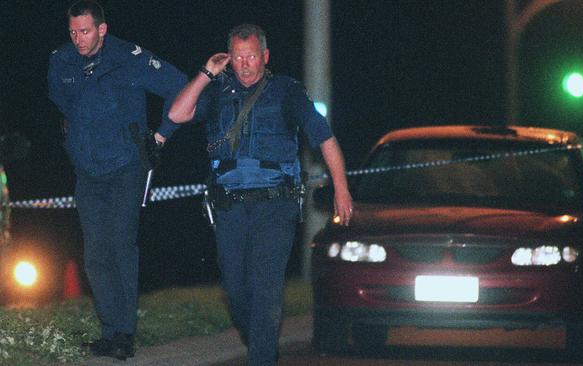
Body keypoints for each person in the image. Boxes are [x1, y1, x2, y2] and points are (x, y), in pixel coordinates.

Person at [168, 23, 353, 365]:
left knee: (266, 291)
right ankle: (259, 343)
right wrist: (206, 73)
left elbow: (324, 138)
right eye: (237, 57)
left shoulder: (287, 91)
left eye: (251, 56)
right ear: (229, 59)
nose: (245, 64)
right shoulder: (217, 90)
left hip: (275, 205)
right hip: (229, 208)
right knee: (237, 292)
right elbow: (177, 113)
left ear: (265, 56)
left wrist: (342, 189)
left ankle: (261, 357)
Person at [47, 0, 187, 360]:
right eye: (73, 31)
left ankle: (124, 333)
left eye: (86, 31)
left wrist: (161, 135)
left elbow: (181, 88)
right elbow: (64, 106)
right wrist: (72, 143)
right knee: (95, 254)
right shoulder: (60, 61)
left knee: (120, 246)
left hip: (126, 166)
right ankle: (109, 331)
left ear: (102, 29)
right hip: (87, 171)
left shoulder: (130, 57)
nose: (79, 39)